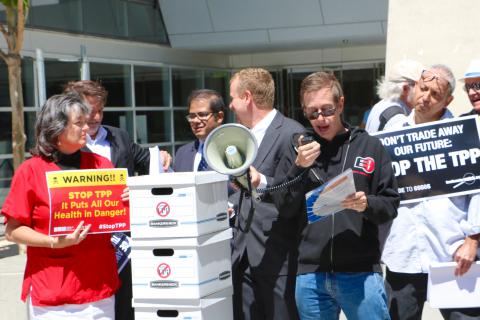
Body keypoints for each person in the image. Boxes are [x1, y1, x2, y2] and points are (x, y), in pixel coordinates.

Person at [273, 71, 399, 320]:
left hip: (361, 272)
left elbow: (391, 204)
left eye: (327, 110)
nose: (320, 118)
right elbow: (284, 207)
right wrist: (298, 167)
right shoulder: (296, 148)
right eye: (312, 113)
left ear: (341, 104)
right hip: (311, 274)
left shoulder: (369, 146)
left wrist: (366, 204)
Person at [2, 93, 120, 319]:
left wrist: (124, 199)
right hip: (53, 292)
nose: (87, 127)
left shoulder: (101, 166)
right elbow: (12, 231)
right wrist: (54, 242)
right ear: (57, 128)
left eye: (87, 122)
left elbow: (116, 216)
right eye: (79, 123)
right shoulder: (31, 171)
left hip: (99, 288)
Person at [64, 80, 171, 320]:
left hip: (123, 244)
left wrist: (162, 156)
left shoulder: (119, 137)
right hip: (83, 242)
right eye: (90, 111)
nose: (96, 117)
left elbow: (151, 164)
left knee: (125, 305)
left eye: (100, 110)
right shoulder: (63, 147)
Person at [381, 64, 480, 320]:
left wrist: (472, 240)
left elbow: (478, 191)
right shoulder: (390, 133)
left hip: (453, 254)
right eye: (422, 88)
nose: (425, 97)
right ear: (414, 87)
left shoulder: (464, 133)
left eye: (435, 94)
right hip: (403, 254)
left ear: (448, 100)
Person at [228, 68, 304, 320]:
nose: (230, 105)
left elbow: (293, 195)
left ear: (247, 97)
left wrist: (262, 181)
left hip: (277, 255)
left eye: (233, 98)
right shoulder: (240, 136)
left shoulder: (290, 133)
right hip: (243, 255)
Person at [366, 59, 424, 133]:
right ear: (405, 88)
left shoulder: (380, 105)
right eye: (422, 88)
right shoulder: (398, 119)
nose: (425, 94)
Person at [173, 89, 225, 172]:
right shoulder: (182, 153)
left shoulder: (233, 150)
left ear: (219, 117)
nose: (196, 121)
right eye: (192, 116)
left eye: (202, 115)